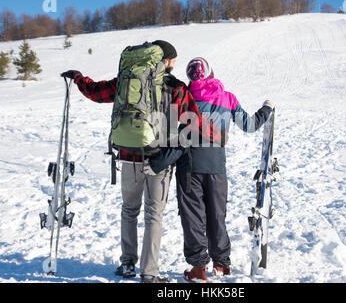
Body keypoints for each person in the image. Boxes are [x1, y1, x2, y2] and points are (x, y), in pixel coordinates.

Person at [61, 43, 221, 283]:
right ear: (166, 61)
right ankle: (149, 272)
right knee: (153, 215)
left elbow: (96, 92)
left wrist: (78, 78)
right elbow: (194, 124)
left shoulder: (127, 83)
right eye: (173, 61)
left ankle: (127, 263)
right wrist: (215, 134)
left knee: (129, 210)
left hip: (129, 156)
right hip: (159, 160)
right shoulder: (176, 87)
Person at [149, 57, 275, 282]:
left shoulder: (185, 96)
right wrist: (266, 109)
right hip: (217, 166)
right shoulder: (227, 98)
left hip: (189, 165)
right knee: (217, 214)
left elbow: (169, 129)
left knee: (193, 216)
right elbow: (250, 125)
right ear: (211, 73)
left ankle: (198, 268)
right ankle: (222, 263)